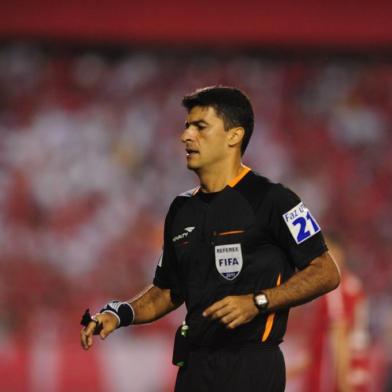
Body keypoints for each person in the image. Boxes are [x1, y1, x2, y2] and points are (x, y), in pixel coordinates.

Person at [80, 86, 341, 392]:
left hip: (251, 367)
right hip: (195, 366)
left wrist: (258, 302)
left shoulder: (276, 200)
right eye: (187, 126)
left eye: (200, 127)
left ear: (234, 136)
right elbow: (168, 290)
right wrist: (120, 313)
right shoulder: (181, 209)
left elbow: (326, 271)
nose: (186, 136)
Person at [304, 234, 370, 392]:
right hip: (356, 374)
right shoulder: (354, 285)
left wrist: (344, 385)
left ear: (337, 253)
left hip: (332, 382)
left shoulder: (334, 290)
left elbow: (339, 337)